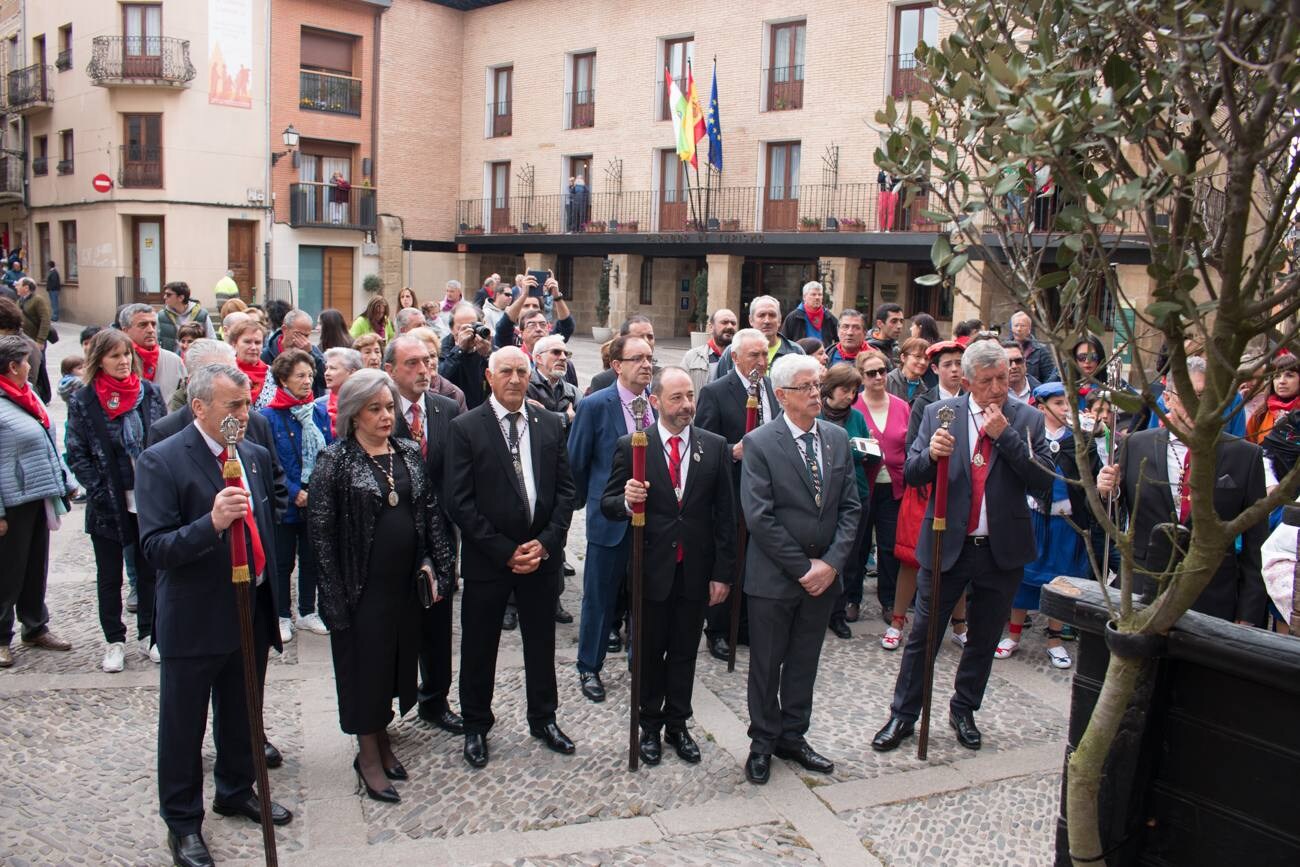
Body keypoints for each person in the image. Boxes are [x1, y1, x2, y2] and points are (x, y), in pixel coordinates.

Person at [135, 364, 292, 867]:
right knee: (183, 726)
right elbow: (155, 547)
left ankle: (236, 787)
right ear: (199, 408)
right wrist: (211, 523)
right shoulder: (162, 461)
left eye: (246, 404)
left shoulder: (254, 453)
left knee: (244, 708)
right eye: (233, 406)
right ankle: (182, 823)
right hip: (196, 615)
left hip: (250, 606)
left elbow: (268, 517)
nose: (244, 415)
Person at [872, 340, 1053, 754]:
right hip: (946, 543)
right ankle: (903, 713)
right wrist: (931, 454)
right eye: (987, 381)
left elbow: (1043, 479)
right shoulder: (940, 413)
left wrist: (1005, 437)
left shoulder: (1026, 418)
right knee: (924, 635)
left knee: (984, 636)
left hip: (1001, 547)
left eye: (1002, 379)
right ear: (967, 381)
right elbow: (914, 474)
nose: (997, 389)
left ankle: (964, 708)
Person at [308, 369, 455, 802]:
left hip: (403, 586)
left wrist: (440, 565)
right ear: (354, 415)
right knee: (364, 669)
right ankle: (368, 754)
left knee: (392, 665)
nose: (385, 415)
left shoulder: (407, 452)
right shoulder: (335, 460)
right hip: (360, 588)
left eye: (389, 407)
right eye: (374, 409)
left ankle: (383, 737)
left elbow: (429, 513)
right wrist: (333, 599)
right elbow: (320, 534)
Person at [446, 346, 577, 769]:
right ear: (489, 375)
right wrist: (505, 551)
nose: (516, 379)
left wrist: (548, 543)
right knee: (479, 646)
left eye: (522, 371)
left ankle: (544, 718)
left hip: (542, 558)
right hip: (490, 561)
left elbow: (565, 492)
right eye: (506, 371)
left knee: (541, 644)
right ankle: (476, 726)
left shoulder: (550, 423)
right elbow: (459, 503)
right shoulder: (466, 427)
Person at [601, 366, 737, 765]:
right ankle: (649, 725)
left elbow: (725, 517)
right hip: (650, 571)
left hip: (695, 572)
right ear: (656, 402)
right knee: (647, 651)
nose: (686, 406)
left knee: (683, 652)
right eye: (677, 398)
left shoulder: (713, 446)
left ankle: (678, 722)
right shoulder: (633, 446)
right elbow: (609, 505)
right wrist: (627, 500)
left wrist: (722, 574)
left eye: (690, 397)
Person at [740, 354, 862, 784]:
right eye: (807, 387)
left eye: (818, 385)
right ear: (782, 395)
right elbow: (760, 517)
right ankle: (762, 742)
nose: (817, 394)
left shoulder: (835, 438)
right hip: (774, 578)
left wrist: (829, 565)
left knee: (804, 662)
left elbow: (851, 509)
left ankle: (793, 735)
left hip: (822, 580)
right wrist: (801, 567)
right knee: (767, 663)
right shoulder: (760, 443)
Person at [1097, 357, 1270, 625]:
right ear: (1167, 399)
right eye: (1186, 395)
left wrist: (1248, 615)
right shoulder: (1136, 445)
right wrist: (1107, 492)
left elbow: (1255, 545)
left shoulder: (1245, 457)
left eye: (1203, 396)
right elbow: (1112, 515)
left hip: (1211, 595)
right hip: (1144, 586)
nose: (1195, 404)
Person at [66, 330, 167, 673]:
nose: (123, 362)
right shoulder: (85, 401)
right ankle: (114, 639)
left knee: (149, 569)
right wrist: (97, 490)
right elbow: (77, 453)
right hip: (108, 501)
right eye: (114, 356)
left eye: (126, 355)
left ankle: (150, 634)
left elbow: (164, 439)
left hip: (147, 498)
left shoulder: (148, 393)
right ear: (99, 361)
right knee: (110, 575)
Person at [383, 336, 466, 735]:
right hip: (393, 537)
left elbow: (456, 471)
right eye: (412, 363)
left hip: (440, 535)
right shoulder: (377, 412)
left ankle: (436, 699)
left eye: (427, 363)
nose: (423, 371)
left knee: (438, 623)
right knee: (396, 624)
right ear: (391, 371)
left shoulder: (446, 408)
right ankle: (388, 704)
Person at [569, 334, 656, 701]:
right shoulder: (595, 406)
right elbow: (576, 462)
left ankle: (642, 659)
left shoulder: (656, 403)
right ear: (617, 365)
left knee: (647, 594)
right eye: (637, 358)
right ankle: (589, 666)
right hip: (610, 520)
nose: (647, 364)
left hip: (654, 520)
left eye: (650, 357)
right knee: (599, 597)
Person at [994, 382, 1096, 669]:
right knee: (1023, 576)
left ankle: (1055, 638)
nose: (1066, 409)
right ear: (1041, 407)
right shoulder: (1028, 435)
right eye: (1060, 403)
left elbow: (1092, 476)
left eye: (1069, 403)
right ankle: (1013, 635)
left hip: (1066, 522)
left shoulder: (1080, 441)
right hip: (1033, 517)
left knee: (1062, 579)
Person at [695, 328, 781, 660]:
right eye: (754, 356)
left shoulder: (773, 388)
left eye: (765, 355)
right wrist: (732, 451)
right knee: (730, 555)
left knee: (758, 558)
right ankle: (718, 628)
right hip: (731, 487)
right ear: (735, 357)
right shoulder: (716, 392)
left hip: (767, 489)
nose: (761, 362)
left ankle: (746, 624)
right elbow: (703, 442)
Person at [0, 336, 74, 668]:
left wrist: (65, 481)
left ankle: (34, 625)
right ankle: (1, 638)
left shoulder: (26, 396)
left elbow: (46, 442)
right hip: (11, 501)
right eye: (28, 361)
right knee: (7, 572)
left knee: (34, 566)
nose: (33, 366)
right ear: (14, 367)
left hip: (36, 493)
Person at [261, 349, 333, 643]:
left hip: (315, 498)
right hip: (285, 502)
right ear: (283, 379)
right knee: (281, 561)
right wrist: (294, 491)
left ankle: (307, 610)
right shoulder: (267, 416)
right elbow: (270, 461)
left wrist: (317, 489)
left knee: (312, 557)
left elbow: (328, 452)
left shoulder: (317, 411)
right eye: (300, 376)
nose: (307, 381)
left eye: (310, 375)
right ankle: (280, 614)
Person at [852, 349, 910, 629]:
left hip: (894, 486)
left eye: (882, 371)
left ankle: (889, 601)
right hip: (863, 486)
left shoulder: (901, 405)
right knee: (859, 544)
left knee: (889, 546)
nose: (878, 377)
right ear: (861, 377)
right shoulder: (854, 407)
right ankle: (852, 598)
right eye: (871, 373)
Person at [818, 362, 874, 640]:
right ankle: (817, 609)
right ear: (830, 388)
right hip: (822, 495)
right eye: (845, 389)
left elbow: (867, 449)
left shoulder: (857, 417)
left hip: (855, 493)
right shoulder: (816, 414)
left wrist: (866, 451)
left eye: (854, 390)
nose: (850, 396)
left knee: (849, 557)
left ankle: (837, 613)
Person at [713, 296, 805, 381]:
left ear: (780, 320)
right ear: (751, 320)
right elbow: (717, 389)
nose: (767, 321)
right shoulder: (734, 351)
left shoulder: (795, 351)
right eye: (761, 315)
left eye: (772, 315)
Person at [120, 303, 187, 406]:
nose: (151, 330)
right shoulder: (119, 363)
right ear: (125, 331)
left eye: (153, 324)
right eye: (143, 325)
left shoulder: (174, 361)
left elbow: (186, 400)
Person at [908, 341, 967, 444]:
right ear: (935, 369)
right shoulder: (923, 403)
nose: (954, 369)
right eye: (947, 365)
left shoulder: (972, 399)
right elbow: (911, 445)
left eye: (959, 363)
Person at [439, 301, 493, 409]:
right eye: (461, 328)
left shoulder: (487, 344)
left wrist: (487, 355)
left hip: (481, 411)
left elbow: (498, 379)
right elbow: (440, 378)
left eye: (472, 326)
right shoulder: (442, 349)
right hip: (454, 412)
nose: (469, 332)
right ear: (451, 329)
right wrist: (459, 349)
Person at [262, 308, 327, 397]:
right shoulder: (267, 354)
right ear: (285, 329)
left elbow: (325, 381)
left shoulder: (312, 350)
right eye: (298, 334)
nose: (304, 340)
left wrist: (310, 354)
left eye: (306, 335)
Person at [588, 315, 654, 394]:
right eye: (639, 337)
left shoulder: (662, 377)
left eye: (650, 337)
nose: (646, 341)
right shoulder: (603, 381)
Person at [529, 333, 580, 430]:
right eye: (556, 352)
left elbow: (582, 423)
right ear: (539, 358)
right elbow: (532, 421)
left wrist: (546, 415)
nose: (563, 358)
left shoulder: (574, 392)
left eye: (566, 354)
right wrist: (566, 417)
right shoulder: (524, 387)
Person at [681, 308, 738, 394]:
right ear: (711, 327)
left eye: (733, 323)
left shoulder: (743, 359)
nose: (730, 326)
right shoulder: (691, 357)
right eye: (724, 322)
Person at [1246, 353, 1299, 444]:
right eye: (1277, 376)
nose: (1282, 381)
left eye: (1289, 375)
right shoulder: (1260, 415)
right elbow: (1248, 451)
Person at [15, 277, 51, 403]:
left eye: (18, 285)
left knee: (40, 367)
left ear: (26, 287)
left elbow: (45, 320)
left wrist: (40, 340)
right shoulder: (20, 300)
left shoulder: (38, 300)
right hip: (24, 339)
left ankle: (45, 394)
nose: (16, 287)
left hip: (36, 340)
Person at [226, 318, 275, 410]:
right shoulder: (225, 374)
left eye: (257, 342)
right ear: (234, 344)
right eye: (247, 342)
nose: (253, 347)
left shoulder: (273, 374)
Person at [317, 346, 363, 436]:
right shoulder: (318, 406)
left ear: (352, 372)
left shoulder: (365, 403)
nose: (326, 373)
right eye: (326, 368)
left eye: (333, 368)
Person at [157, 282, 215, 353]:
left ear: (181, 298)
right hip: (171, 360)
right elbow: (156, 340)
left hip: (196, 359)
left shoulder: (201, 314)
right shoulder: (162, 315)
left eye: (168, 295)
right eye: (165, 294)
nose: (164, 297)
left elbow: (211, 339)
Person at [1009, 311, 1059, 383]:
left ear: (1029, 329)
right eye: (1016, 326)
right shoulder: (1004, 349)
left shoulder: (1041, 350)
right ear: (1011, 328)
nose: (1019, 329)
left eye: (1022, 326)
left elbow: (1050, 378)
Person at [887, 337, 933, 403]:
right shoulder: (886, 382)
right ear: (903, 357)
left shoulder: (925, 391)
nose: (923, 362)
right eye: (918, 356)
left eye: (926, 358)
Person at [866, 303, 906, 367]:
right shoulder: (868, 349)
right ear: (880, 324)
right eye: (894, 321)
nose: (899, 326)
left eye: (901, 321)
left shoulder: (895, 347)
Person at [1003, 340, 1041, 405]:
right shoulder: (993, 395)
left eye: (1018, 360)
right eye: (1008, 362)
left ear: (1025, 361)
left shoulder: (1040, 391)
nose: (1014, 366)